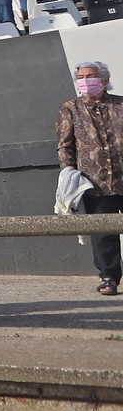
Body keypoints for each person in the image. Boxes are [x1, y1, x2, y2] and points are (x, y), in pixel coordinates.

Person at [57, 61, 123, 295]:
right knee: (103, 232)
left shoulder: (121, 104)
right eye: (81, 77)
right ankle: (109, 277)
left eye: (91, 76)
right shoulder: (70, 108)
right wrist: (69, 172)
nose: (86, 80)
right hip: (94, 181)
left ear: (104, 80)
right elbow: (65, 145)